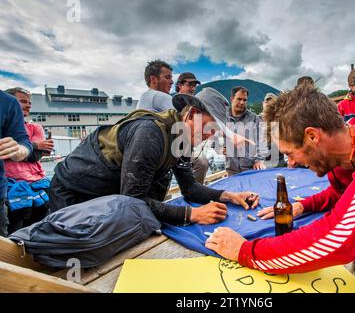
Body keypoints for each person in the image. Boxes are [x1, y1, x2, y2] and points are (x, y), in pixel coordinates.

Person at [205, 86, 355, 293]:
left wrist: (246, 251)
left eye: (290, 153)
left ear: (312, 136)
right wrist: (303, 205)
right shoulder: (353, 139)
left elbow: (342, 238)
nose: (290, 163)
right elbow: (343, 193)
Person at [48, 87, 260, 226]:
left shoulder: (182, 140)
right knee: (73, 251)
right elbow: (133, 200)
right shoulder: (150, 133)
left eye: (216, 130)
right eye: (209, 127)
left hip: (107, 193)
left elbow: (190, 188)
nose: (211, 134)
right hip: (75, 190)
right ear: (192, 115)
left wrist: (228, 196)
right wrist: (192, 215)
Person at [4, 87, 54, 232]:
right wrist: (35, 145)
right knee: (15, 225)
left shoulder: (35, 128)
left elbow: (35, 155)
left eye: (29, 103)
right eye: (23, 101)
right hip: (9, 186)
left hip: (36, 183)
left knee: (40, 224)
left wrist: (28, 148)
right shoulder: (3, 127)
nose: (28, 105)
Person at [0, 90, 33, 236]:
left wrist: (18, 149)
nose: (27, 106)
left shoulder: (7, 102)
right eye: (24, 101)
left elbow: (23, 142)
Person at [174, 72, 209, 184]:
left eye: (194, 86)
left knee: (202, 162)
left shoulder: (195, 106)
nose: (193, 88)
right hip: (170, 145)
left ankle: (197, 191)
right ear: (180, 85)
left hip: (187, 146)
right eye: (190, 85)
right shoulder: (170, 103)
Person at [224, 86, 267, 175]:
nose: (242, 102)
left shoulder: (254, 118)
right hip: (231, 170)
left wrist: (259, 160)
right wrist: (222, 147)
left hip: (251, 169)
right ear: (232, 99)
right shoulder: (223, 117)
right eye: (239, 99)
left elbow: (262, 142)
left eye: (245, 100)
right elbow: (215, 139)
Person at [260, 93, 286, 168]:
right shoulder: (256, 120)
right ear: (263, 103)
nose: (268, 104)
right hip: (263, 163)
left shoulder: (282, 119)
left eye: (271, 102)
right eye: (266, 102)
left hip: (279, 162)